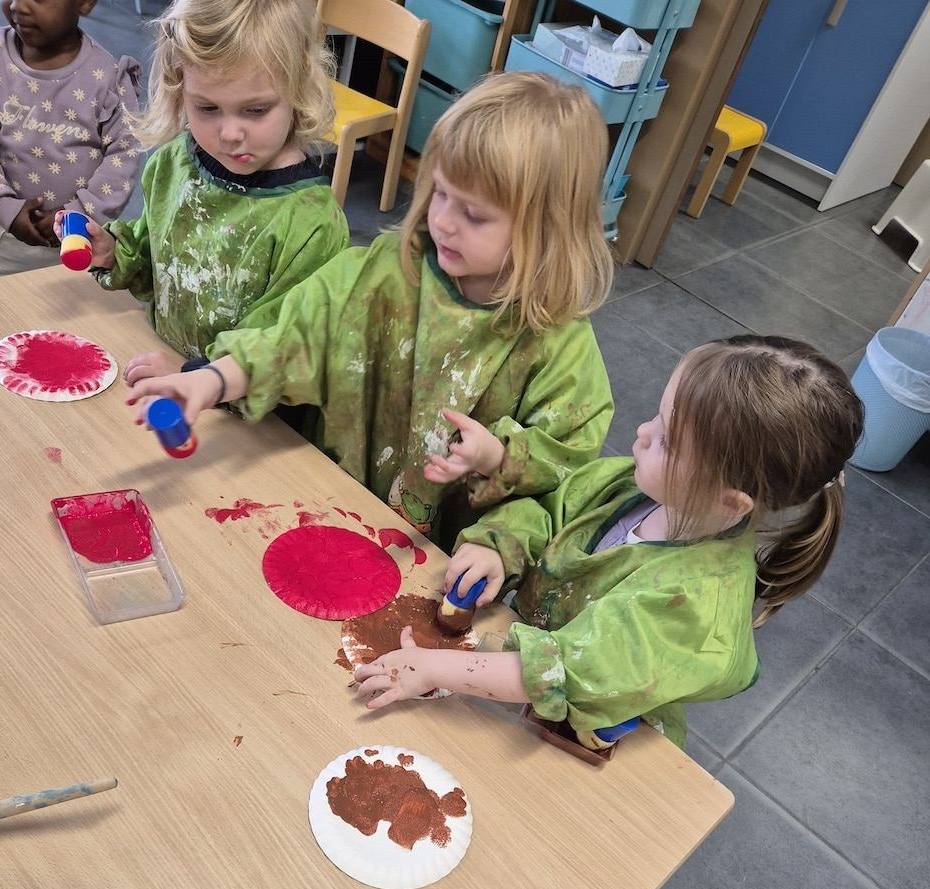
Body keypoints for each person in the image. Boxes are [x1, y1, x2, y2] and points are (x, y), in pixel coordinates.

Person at [125, 70, 615, 548]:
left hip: (440, 555)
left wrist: (499, 468)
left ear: (547, 231)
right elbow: (298, 337)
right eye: (441, 193)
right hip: (328, 503)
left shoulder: (560, 348)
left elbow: (564, 479)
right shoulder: (387, 271)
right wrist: (211, 380)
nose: (443, 222)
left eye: (473, 214)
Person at [353, 335, 864, 750]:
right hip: (519, 665)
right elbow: (551, 509)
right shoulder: (631, 486)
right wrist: (499, 545)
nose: (641, 433)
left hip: (585, 718)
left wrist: (431, 667)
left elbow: (566, 673)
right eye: (658, 416)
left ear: (730, 501)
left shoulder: (693, 605)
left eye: (667, 441)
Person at [66, 0, 349, 379]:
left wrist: (199, 374)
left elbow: (287, 354)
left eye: (256, 110)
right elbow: (159, 264)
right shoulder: (174, 164)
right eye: (207, 108)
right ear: (178, 88)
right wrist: (115, 254)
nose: (230, 134)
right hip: (163, 371)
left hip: (240, 407)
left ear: (299, 88)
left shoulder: (312, 223)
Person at [0, 0, 140, 287]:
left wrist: (82, 211)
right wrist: (3, 207)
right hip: (6, 227)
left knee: (95, 305)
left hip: (84, 231)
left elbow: (123, 156)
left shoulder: (108, 77)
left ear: (85, 3)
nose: (18, 5)